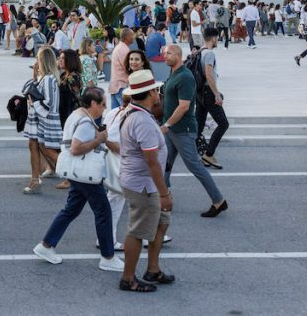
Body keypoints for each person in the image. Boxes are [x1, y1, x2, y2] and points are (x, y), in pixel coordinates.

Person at [32, 86, 124, 271]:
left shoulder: (77, 115)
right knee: (104, 212)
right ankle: (107, 257)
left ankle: (46, 245)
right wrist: (99, 139)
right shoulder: (85, 122)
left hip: (77, 173)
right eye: (102, 104)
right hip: (85, 175)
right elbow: (75, 148)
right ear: (93, 104)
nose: (105, 108)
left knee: (71, 210)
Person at [118, 70, 173, 293]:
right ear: (151, 92)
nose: (159, 93)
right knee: (138, 230)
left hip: (144, 183)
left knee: (161, 222)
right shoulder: (142, 121)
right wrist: (163, 193)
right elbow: (152, 162)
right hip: (143, 185)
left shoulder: (137, 113)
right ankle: (128, 278)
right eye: (157, 90)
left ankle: (153, 269)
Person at [160, 44, 227, 217]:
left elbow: (184, 107)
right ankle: (164, 196)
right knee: (165, 164)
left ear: (178, 55)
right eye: (165, 53)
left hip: (183, 130)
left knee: (195, 166)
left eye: (169, 53)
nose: (165, 56)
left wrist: (166, 125)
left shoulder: (185, 77)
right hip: (172, 129)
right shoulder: (173, 74)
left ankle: (218, 201)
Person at [23, 47, 63, 194]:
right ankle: (34, 180)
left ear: (43, 60)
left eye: (38, 58)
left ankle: (73, 172)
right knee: (33, 145)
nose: (36, 62)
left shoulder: (49, 79)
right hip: (39, 118)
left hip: (44, 118)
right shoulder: (45, 78)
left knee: (46, 149)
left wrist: (33, 101)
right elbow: (30, 90)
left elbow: (49, 102)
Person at [196, 29, 229, 169]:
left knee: (199, 125)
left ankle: (190, 152)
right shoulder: (209, 53)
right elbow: (209, 75)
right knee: (223, 124)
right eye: (217, 37)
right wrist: (216, 94)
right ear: (214, 38)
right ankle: (208, 154)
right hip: (208, 93)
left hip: (199, 93)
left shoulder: (199, 52)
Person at [108, 28, 134, 109]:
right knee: (127, 111)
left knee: (115, 115)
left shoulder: (120, 47)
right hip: (121, 86)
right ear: (126, 37)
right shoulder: (123, 49)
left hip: (116, 86)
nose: (134, 37)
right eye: (132, 35)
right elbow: (128, 67)